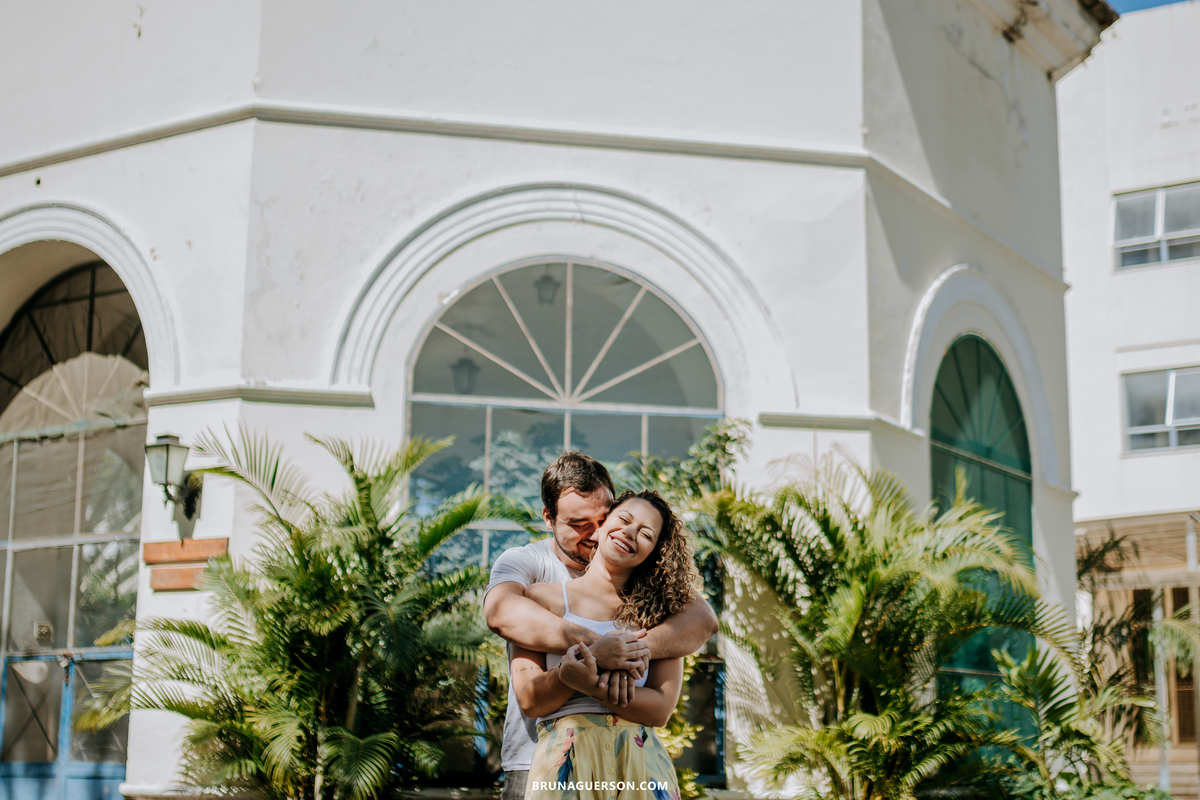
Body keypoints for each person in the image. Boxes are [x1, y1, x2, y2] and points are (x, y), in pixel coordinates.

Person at [484, 454, 717, 800]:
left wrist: (617, 659)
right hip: (536, 757)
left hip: (636, 765)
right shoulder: (529, 569)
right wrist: (604, 651)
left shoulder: (658, 609)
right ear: (549, 518)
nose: (594, 533)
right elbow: (502, 614)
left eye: (601, 517)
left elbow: (703, 622)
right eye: (580, 523)